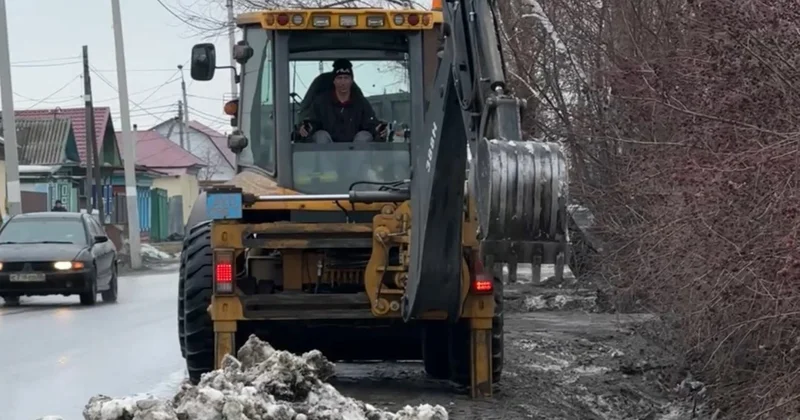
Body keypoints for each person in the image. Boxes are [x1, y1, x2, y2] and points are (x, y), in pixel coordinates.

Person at [298, 59, 387, 143]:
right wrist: (306, 128)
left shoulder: (361, 102)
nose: (343, 82)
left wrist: (379, 130)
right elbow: (312, 122)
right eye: (339, 78)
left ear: (351, 81)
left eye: (346, 78)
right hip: (326, 153)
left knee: (364, 136)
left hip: (354, 153)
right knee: (321, 136)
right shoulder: (321, 102)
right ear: (334, 81)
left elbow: (370, 124)